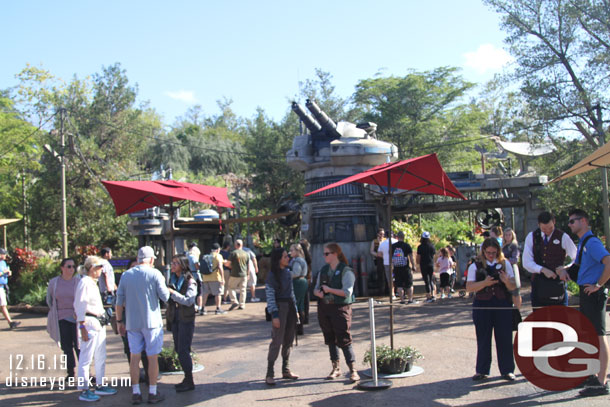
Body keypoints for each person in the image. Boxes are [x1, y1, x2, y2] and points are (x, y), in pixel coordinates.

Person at [559, 209, 610, 396]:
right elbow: (581, 266)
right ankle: (594, 375)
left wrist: (598, 284)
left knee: (598, 335)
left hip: (593, 293)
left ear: (584, 221)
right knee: (590, 335)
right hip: (587, 291)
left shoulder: (592, 242)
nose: (570, 224)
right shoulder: (584, 242)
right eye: (569, 222)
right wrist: (564, 269)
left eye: (573, 221)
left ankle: (601, 383)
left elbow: (608, 262)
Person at [116, 246, 170, 404]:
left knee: (134, 358)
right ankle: (152, 392)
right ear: (152, 259)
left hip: (132, 323)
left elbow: (119, 301)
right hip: (152, 322)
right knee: (152, 358)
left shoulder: (126, 275)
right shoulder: (155, 274)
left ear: (138, 259)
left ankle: (136, 392)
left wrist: (120, 321)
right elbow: (165, 297)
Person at [465, 238, 517, 382]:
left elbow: (513, 286)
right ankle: (482, 370)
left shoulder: (505, 264)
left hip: (502, 304)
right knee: (483, 338)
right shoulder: (475, 265)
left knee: (505, 338)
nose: (491, 255)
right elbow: (469, 287)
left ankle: (507, 370)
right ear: (483, 251)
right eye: (488, 252)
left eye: (494, 252)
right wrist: (485, 283)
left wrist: (507, 281)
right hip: (482, 305)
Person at [314, 242, 360, 383]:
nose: (324, 256)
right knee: (330, 338)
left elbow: (347, 293)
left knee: (344, 338)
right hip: (324, 308)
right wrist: (319, 294)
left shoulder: (346, 271)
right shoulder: (323, 270)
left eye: (327, 253)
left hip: (340, 308)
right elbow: (315, 289)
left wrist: (329, 290)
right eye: (324, 253)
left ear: (335, 254)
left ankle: (353, 370)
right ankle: (336, 368)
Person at [74, 256, 118, 402]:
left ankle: (99, 384)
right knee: (86, 358)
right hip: (89, 321)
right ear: (92, 268)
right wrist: (82, 326)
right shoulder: (84, 283)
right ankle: (84, 389)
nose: (102, 270)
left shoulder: (92, 283)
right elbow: (79, 304)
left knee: (100, 355)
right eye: (99, 267)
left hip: (97, 321)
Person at [522, 211, 577, 308]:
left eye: (550, 228)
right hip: (538, 284)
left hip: (557, 285)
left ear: (554, 222)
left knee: (560, 319)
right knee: (540, 320)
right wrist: (542, 269)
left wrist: (565, 268)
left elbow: (576, 257)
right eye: (543, 229)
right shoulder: (532, 237)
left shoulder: (563, 236)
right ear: (538, 225)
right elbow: (526, 262)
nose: (547, 231)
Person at [265, 248, 299, 385]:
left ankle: (285, 369)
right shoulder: (272, 275)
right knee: (277, 341)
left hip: (290, 308)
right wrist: (275, 314)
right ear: (278, 258)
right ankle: (269, 373)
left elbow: (291, 293)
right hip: (279, 309)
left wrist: (296, 310)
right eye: (285, 256)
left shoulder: (287, 272)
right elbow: (270, 296)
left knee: (289, 339)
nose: (288, 258)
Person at [166, 254, 197, 392]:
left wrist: (173, 294)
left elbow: (189, 300)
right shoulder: (172, 279)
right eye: (172, 263)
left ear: (182, 266)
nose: (172, 266)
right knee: (179, 349)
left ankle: (189, 380)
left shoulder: (190, 281)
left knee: (183, 349)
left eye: (175, 263)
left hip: (186, 318)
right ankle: (186, 378)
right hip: (175, 317)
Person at [46, 258, 80, 379]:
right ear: (62, 268)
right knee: (66, 347)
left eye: (73, 267)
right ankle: (70, 372)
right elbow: (50, 300)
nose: (71, 269)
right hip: (61, 318)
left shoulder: (78, 282)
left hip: (77, 318)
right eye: (69, 266)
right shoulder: (54, 283)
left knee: (79, 346)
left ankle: (84, 372)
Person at [200, 243, 227, 315]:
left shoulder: (205, 256)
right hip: (215, 278)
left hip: (205, 278)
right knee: (218, 293)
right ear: (218, 250)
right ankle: (218, 308)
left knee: (205, 294)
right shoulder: (218, 256)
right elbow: (220, 267)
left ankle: (203, 309)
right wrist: (223, 278)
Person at [391, 231, 417, 304]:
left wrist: (392, 266)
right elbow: (411, 257)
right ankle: (410, 299)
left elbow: (391, 258)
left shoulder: (393, 246)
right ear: (404, 237)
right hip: (405, 267)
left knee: (399, 285)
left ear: (397, 237)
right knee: (409, 284)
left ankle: (402, 300)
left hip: (396, 268)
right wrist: (413, 265)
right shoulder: (407, 246)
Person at [289, 243, 308, 335]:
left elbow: (296, 273)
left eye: (292, 250)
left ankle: (298, 327)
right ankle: (299, 327)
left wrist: (286, 273)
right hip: (301, 282)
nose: (290, 252)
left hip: (298, 282)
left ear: (297, 251)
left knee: (296, 304)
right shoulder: (300, 260)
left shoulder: (297, 261)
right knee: (300, 304)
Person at [226, 239, 249, 310]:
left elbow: (228, 264)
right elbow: (248, 265)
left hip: (234, 274)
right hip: (244, 274)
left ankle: (234, 301)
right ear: (242, 245)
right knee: (243, 290)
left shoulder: (233, 253)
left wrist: (225, 264)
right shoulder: (246, 254)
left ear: (236, 245)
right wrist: (248, 274)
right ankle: (242, 304)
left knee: (231, 287)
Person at [502, 228, 522, 309]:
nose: (507, 236)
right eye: (506, 235)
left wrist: (505, 260)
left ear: (512, 235)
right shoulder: (503, 246)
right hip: (504, 268)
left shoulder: (514, 246)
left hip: (512, 268)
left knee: (515, 290)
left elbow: (515, 259)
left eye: (509, 235)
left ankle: (517, 309)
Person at [0, 248, 20, 329]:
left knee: (3, 305)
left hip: (2, 286)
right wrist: (3, 273)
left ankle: (10, 322)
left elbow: (6, 271)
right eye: (4, 254)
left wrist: (8, 273)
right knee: (3, 305)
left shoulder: (3, 263)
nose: (5, 256)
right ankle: (10, 322)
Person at [417, 232, 437, 302]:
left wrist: (418, 263)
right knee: (431, 280)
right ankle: (433, 295)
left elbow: (418, 257)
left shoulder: (420, 247)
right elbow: (434, 256)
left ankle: (428, 296)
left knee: (426, 281)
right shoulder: (432, 246)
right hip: (430, 264)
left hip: (423, 265)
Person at [378, 232, 398, 298]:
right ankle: (398, 291)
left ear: (385, 236)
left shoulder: (382, 243)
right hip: (396, 263)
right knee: (397, 277)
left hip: (386, 262)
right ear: (393, 235)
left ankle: (392, 293)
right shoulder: (396, 241)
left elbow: (379, 254)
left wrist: (384, 256)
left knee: (390, 279)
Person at [186, 243, 204, 315]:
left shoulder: (187, 256)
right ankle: (199, 307)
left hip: (189, 276)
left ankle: (193, 306)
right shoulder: (194, 257)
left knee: (190, 292)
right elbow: (197, 267)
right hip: (196, 275)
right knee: (199, 292)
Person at [370, 228, 386, 293]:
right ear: (378, 234)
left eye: (383, 234)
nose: (382, 235)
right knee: (380, 275)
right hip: (379, 260)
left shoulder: (385, 240)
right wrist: (377, 255)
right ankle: (381, 290)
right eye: (381, 234)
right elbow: (371, 251)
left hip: (386, 259)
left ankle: (388, 289)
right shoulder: (374, 241)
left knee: (387, 274)